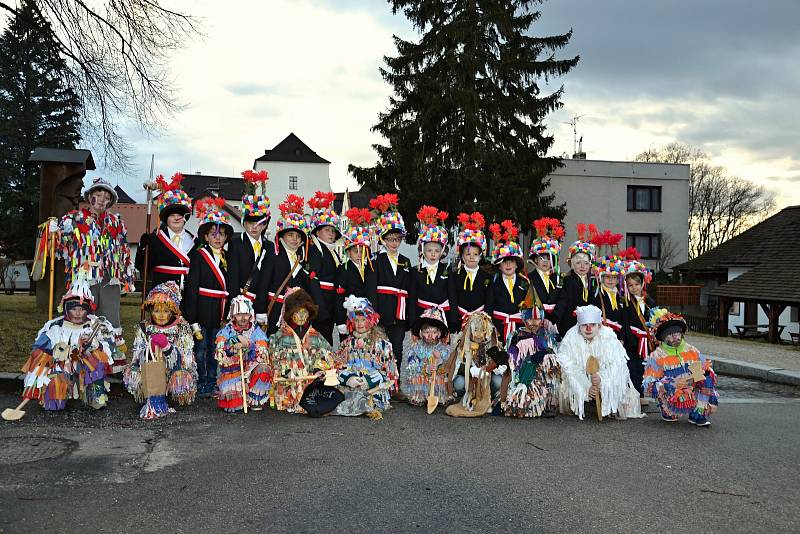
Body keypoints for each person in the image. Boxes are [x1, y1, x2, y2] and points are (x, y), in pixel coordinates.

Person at [55, 177, 134, 371]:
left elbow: (124, 251)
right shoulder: (73, 220)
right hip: (83, 279)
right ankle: (81, 363)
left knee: (110, 320)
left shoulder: (116, 223)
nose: (101, 200)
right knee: (82, 318)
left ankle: (112, 365)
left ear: (110, 201)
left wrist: (126, 278)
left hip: (109, 278)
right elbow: (58, 249)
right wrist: (53, 234)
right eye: (97, 195)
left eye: (106, 197)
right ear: (90, 197)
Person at [20, 279, 116, 412]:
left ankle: (95, 395)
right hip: (61, 368)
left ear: (87, 310)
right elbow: (40, 353)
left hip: (85, 366)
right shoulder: (55, 327)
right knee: (53, 404)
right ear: (66, 308)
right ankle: (57, 396)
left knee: (96, 359)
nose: (77, 313)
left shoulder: (97, 325)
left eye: (81, 309)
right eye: (74, 309)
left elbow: (110, 351)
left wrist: (94, 345)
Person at [183, 197, 233, 398]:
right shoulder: (198, 255)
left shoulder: (227, 258)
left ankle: (213, 381)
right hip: (201, 310)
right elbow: (192, 287)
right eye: (213, 234)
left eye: (221, 234)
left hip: (219, 311)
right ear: (206, 236)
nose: (218, 238)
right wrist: (192, 317)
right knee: (201, 349)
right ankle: (201, 381)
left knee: (215, 349)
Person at [556, 305, 642, 420]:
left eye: (592, 325)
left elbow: (618, 365)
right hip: (581, 378)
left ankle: (606, 400)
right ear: (579, 326)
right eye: (584, 325)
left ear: (599, 326)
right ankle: (581, 401)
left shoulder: (609, 338)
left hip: (603, 377)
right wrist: (586, 387)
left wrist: (602, 378)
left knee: (625, 396)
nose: (588, 329)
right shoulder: (570, 338)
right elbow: (568, 366)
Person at [125, 281, 196, 419]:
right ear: (151, 311)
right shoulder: (144, 329)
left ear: (173, 311)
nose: (161, 315)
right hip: (150, 369)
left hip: (173, 370)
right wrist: (149, 349)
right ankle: (153, 397)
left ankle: (169, 395)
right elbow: (136, 354)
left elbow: (186, 357)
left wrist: (168, 349)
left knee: (181, 376)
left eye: (166, 311)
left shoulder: (181, 328)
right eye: (157, 311)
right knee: (135, 369)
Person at [367, 194, 415, 383]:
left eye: (398, 239)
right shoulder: (376, 260)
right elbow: (371, 289)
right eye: (391, 239)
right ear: (383, 239)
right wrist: (374, 314)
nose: (394, 243)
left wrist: (410, 317)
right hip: (382, 312)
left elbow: (410, 291)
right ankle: (379, 382)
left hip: (399, 313)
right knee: (379, 348)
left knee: (397, 348)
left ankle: (396, 384)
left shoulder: (406, 261)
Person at [644, 309, 718, 426]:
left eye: (678, 334)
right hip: (672, 395)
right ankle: (669, 411)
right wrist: (671, 384)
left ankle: (698, 414)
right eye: (671, 335)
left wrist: (694, 380)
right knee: (671, 414)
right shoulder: (656, 356)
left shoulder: (692, 350)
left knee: (707, 378)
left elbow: (705, 373)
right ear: (664, 337)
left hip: (691, 390)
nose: (676, 338)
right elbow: (649, 385)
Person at [268, 288, 335, 414]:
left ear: (309, 313)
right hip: (289, 385)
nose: (301, 316)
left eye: (304, 312)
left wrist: (319, 368)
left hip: (311, 384)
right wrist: (286, 371)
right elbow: (273, 359)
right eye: (297, 313)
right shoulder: (279, 337)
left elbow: (327, 356)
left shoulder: (316, 336)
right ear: (290, 314)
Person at [333, 295, 398, 417]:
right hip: (351, 387)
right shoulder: (346, 344)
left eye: (363, 320)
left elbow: (389, 374)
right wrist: (349, 379)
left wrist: (367, 381)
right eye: (356, 320)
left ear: (371, 320)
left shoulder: (383, 345)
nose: (359, 324)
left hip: (373, 389)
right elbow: (337, 367)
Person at [255, 195, 311, 336]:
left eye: (298, 236)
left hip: (295, 313)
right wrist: (261, 310)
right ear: (282, 236)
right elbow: (263, 283)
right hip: (274, 311)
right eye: (291, 235)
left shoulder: (303, 259)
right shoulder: (273, 255)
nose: (295, 239)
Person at [504, 298, 561, 419]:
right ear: (524, 319)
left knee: (552, 361)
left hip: (543, 378)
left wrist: (545, 354)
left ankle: (551, 402)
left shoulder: (547, 335)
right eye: (530, 319)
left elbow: (556, 353)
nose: (534, 322)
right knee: (521, 407)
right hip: (523, 377)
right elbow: (512, 361)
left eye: (537, 319)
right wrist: (528, 359)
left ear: (542, 319)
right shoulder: (516, 336)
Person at [136, 173, 194, 291]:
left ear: (185, 218)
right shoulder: (155, 238)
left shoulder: (195, 242)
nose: (176, 218)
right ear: (165, 219)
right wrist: (142, 247)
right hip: (162, 297)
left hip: (187, 298)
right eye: (172, 215)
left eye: (179, 215)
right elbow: (141, 266)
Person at [443, 311, 507, 418]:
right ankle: (469, 397)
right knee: (459, 383)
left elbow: (502, 366)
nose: (478, 334)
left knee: (498, 381)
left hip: (487, 380)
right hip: (469, 380)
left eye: (482, 331)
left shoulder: (492, 344)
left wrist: (489, 368)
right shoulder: (463, 345)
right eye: (475, 330)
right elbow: (457, 367)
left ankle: (487, 398)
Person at [214, 295, 272, 413]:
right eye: (239, 314)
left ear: (251, 315)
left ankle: (254, 399)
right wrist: (235, 341)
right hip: (234, 369)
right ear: (233, 316)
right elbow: (221, 352)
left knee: (264, 368)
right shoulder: (226, 331)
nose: (243, 318)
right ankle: (239, 398)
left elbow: (262, 352)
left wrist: (248, 345)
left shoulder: (256, 330)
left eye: (246, 314)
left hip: (250, 368)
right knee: (233, 406)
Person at [227, 169, 274, 305]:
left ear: (264, 225)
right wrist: (237, 303)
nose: (255, 227)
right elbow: (233, 277)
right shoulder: (235, 243)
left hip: (262, 304)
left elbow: (268, 278)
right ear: (244, 223)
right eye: (251, 223)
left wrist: (262, 308)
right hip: (240, 302)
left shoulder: (269, 246)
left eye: (259, 224)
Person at [412, 205, 457, 331]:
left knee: (442, 349)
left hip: (444, 318)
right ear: (422, 250)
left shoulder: (447, 271)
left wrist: (453, 320)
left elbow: (452, 296)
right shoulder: (416, 271)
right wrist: (413, 322)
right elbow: (413, 298)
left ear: (442, 251)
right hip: (422, 318)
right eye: (429, 250)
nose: (433, 254)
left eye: (437, 251)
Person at [552, 223, 600, 337]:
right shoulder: (568, 280)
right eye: (578, 263)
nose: (582, 266)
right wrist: (554, 319)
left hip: (588, 328)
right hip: (571, 326)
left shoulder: (593, 282)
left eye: (586, 263)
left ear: (590, 265)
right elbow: (563, 301)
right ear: (572, 265)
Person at [335, 208, 376, 340]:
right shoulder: (343, 269)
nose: (359, 255)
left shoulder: (370, 268)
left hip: (367, 317)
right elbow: (339, 297)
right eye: (355, 251)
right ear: (348, 252)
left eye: (362, 251)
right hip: (350, 316)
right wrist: (341, 321)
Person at [307, 191, 342, 345]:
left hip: (330, 304)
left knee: (327, 343)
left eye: (333, 231)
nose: (331, 234)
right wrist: (320, 309)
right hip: (321, 306)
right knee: (321, 345)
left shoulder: (332, 251)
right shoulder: (315, 250)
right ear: (318, 232)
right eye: (327, 230)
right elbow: (313, 281)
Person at [485, 220, 529, 342]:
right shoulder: (494, 283)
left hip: (520, 328)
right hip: (498, 327)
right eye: (504, 261)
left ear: (517, 264)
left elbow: (530, 306)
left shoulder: (525, 282)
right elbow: (488, 308)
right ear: (499, 266)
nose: (508, 264)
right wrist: (491, 328)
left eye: (511, 261)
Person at [621, 252, 656, 396]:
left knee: (645, 367)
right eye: (630, 285)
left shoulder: (650, 302)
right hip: (633, 341)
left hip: (647, 341)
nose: (634, 288)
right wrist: (629, 340)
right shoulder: (625, 303)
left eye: (637, 284)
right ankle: (634, 394)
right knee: (633, 367)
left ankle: (642, 392)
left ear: (643, 284)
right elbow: (624, 323)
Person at [404, 307, 453, 408]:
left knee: (442, 377)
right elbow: (411, 365)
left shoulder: (444, 348)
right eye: (427, 332)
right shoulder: (416, 347)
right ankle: (419, 396)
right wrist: (426, 368)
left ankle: (440, 397)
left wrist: (439, 359)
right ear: (421, 333)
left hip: (437, 376)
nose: (430, 336)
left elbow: (449, 363)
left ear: (439, 334)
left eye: (434, 333)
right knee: (416, 377)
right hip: (423, 375)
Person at [450, 212, 491, 326]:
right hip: (460, 319)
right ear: (462, 256)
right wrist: (453, 320)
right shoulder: (454, 276)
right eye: (468, 254)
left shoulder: (487, 277)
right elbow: (453, 299)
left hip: (481, 322)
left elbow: (489, 301)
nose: (471, 257)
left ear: (480, 256)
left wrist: (486, 320)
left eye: (475, 254)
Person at [528, 217, 564, 323]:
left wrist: (553, 319)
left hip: (556, 322)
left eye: (549, 259)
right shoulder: (529, 278)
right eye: (541, 258)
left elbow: (563, 300)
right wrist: (540, 320)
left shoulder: (558, 278)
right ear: (535, 259)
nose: (545, 262)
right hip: (536, 322)